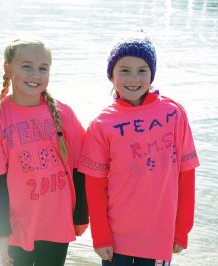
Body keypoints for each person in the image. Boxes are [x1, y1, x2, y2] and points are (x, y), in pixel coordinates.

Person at [78, 31, 200, 266]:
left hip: (159, 235)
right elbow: (94, 185)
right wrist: (100, 235)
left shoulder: (173, 114)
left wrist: (182, 228)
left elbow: (187, 174)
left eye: (142, 70)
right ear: (111, 75)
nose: (133, 78)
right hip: (116, 237)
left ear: (151, 74)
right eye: (124, 70)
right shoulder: (102, 124)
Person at [0, 38, 89, 266]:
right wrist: (2, 235)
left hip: (58, 221)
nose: (36, 74)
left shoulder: (64, 114)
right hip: (17, 226)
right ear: (9, 68)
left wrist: (80, 214)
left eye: (43, 68)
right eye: (27, 66)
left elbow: (81, 167)